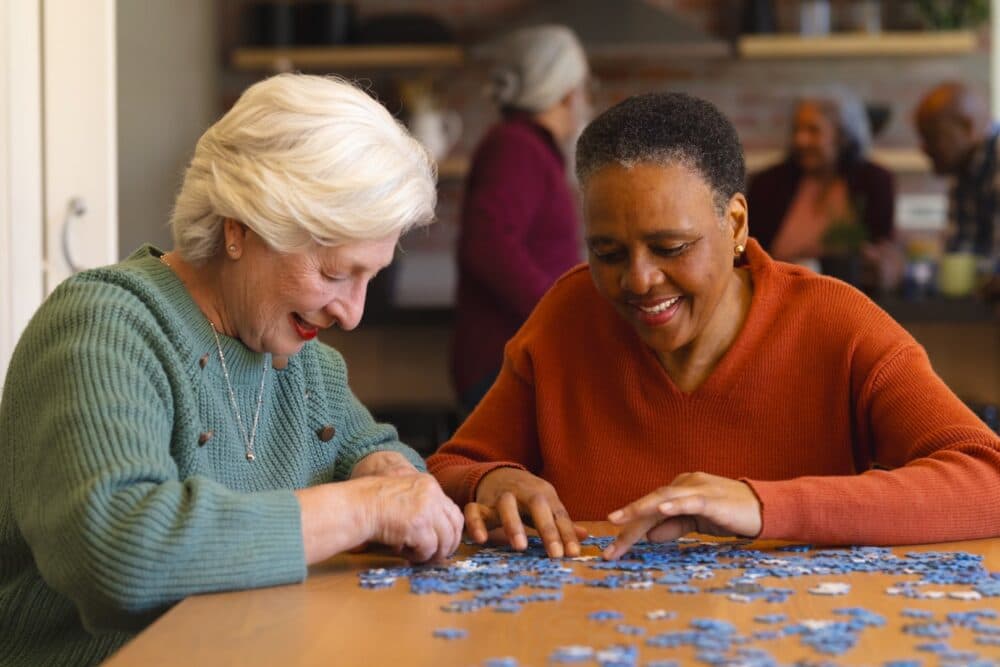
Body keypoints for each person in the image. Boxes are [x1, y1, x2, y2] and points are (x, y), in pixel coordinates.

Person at [0, 74, 464, 666]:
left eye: (368, 277)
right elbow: (119, 550)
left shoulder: (307, 366)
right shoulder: (103, 326)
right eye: (333, 273)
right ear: (239, 229)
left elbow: (380, 459)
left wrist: (388, 472)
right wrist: (366, 507)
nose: (352, 314)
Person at [427, 92, 1000, 562]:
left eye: (670, 246)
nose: (639, 280)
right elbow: (451, 467)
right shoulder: (568, 315)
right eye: (607, 251)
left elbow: (987, 479)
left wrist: (763, 505)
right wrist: (494, 481)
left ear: (735, 224)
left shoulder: (837, 323)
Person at [452, 24, 591, 412]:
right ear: (567, 94)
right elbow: (487, 247)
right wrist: (559, 311)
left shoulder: (525, 146)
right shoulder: (516, 147)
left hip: (515, 360)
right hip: (503, 366)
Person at [747, 91, 897, 288]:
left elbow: (882, 248)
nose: (801, 140)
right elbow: (749, 251)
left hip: (852, 297)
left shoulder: (874, 181)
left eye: (813, 130)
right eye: (797, 130)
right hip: (778, 294)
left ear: (842, 135)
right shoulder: (768, 183)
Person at [915, 82, 1000, 296]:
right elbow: (959, 259)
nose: (923, 149)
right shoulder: (963, 173)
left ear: (967, 127)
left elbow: (992, 265)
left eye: (931, 136)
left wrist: (913, 273)